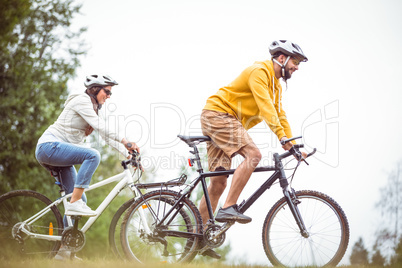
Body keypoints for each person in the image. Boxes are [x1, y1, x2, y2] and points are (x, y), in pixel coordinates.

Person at [198, 40, 308, 259]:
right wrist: (281, 136)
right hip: (218, 115)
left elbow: (279, 113)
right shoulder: (260, 72)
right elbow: (266, 107)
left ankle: (198, 239)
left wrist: (291, 143)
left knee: (218, 182)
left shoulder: (276, 85)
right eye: (295, 62)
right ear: (281, 58)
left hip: (224, 120)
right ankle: (229, 207)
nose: (297, 67)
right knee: (254, 155)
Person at [35, 74, 140, 217]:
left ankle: (67, 238)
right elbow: (101, 127)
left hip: (58, 154)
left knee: (79, 199)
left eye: (110, 93)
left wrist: (128, 155)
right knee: (93, 155)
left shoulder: (94, 109)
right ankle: (74, 204)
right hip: (48, 146)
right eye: (107, 92)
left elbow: (106, 137)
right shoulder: (82, 100)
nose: (109, 96)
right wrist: (125, 141)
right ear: (95, 89)